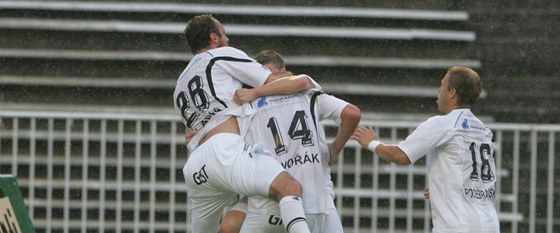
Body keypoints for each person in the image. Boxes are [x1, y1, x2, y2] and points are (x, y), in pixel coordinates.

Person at [174, 14, 315, 233]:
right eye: (224, 33)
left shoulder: (180, 84)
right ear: (214, 37)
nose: (227, 38)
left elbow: (195, 130)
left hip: (196, 167)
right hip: (225, 152)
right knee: (289, 187)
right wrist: (299, 80)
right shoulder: (221, 55)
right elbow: (270, 81)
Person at [220, 50, 361, 233]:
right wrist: (335, 149)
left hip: (268, 204)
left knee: (228, 226)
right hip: (315, 204)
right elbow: (353, 114)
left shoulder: (246, 106)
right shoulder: (308, 94)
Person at [351, 66, 500, 232]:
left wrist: (371, 143)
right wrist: (443, 186)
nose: (439, 89)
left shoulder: (443, 123)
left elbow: (401, 156)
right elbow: (475, 174)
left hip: (458, 224)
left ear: (452, 93)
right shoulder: (483, 129)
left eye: (442, 85)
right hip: (489, 223)